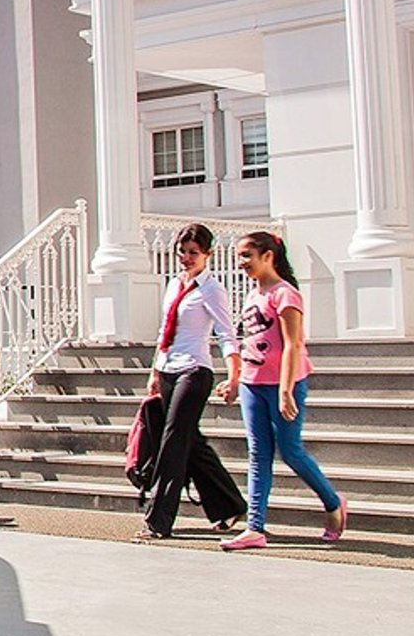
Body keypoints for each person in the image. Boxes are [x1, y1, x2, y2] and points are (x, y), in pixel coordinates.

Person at [222, 230, 348, 551]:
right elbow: (247, 342)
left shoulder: (285, 294)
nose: (242, 263)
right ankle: (255, 528)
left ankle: (333, 503)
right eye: (239, 256)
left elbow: (294, 344)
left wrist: (286, 389)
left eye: (247, 256)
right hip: (253, 382)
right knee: (257, 454)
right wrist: (235, 380)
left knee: (290, 451)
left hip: (283, 384)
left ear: (268, 256)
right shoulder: (252, 295)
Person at [135, 223, 247, 540]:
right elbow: (163, 332)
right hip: (169, 368)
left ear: (207, 254)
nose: (186, 258)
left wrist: (234, 375)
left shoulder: (212, 290)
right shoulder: (173, 285)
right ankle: (230, 504)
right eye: (182, 252)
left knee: (173, 440)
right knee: (190, 442)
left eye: (193, 253)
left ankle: (158, 519)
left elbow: (227, 334)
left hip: (195, 371)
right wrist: (155, 372)